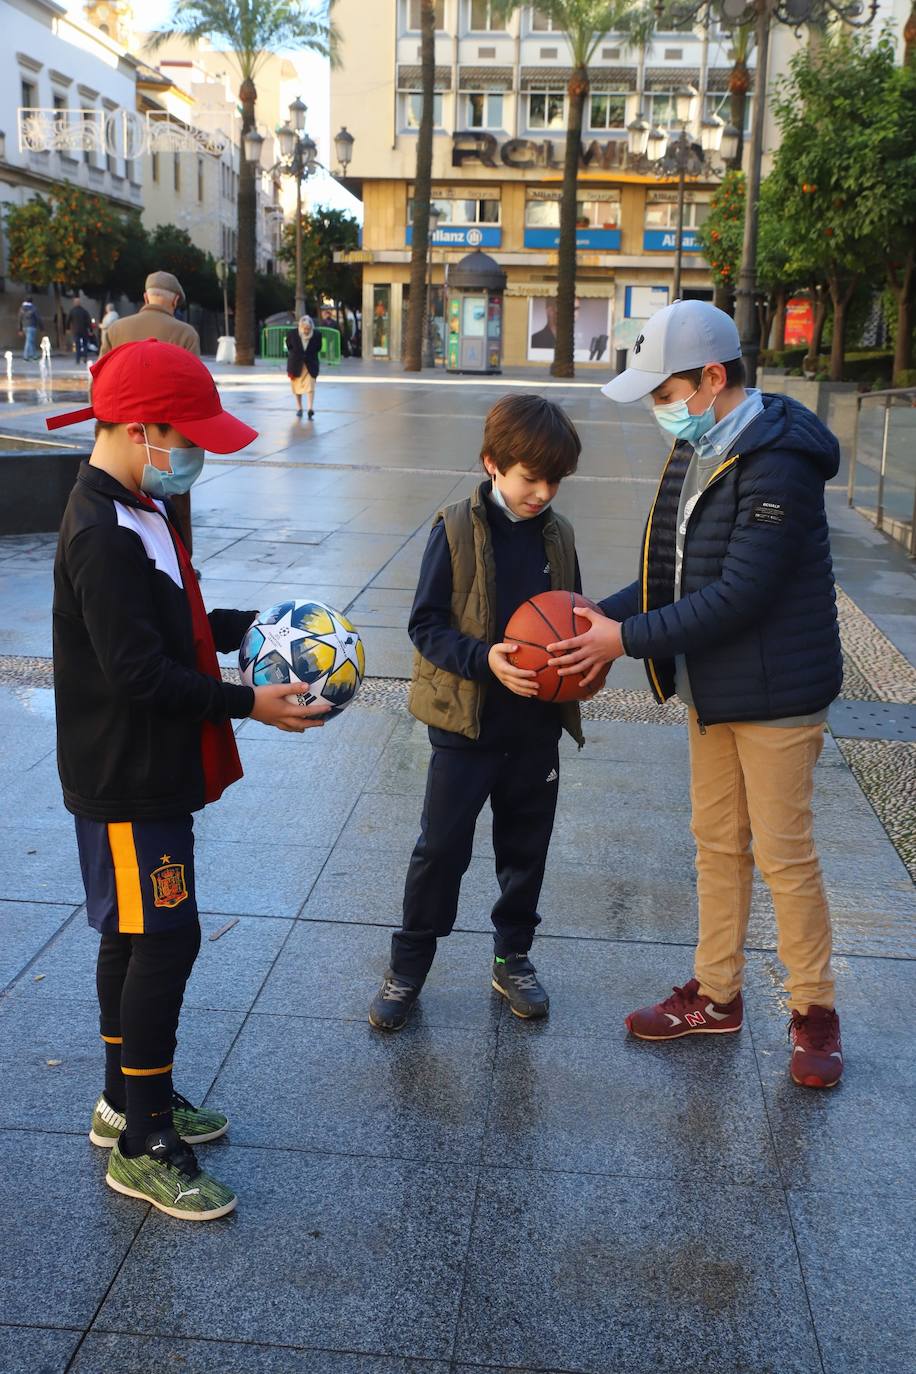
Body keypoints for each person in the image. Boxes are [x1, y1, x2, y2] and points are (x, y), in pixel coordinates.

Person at [48, 339, 330, 1220]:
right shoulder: (101, 534)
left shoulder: (139, 508)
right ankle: (144, 1142)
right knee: (164, 939)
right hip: (128, 779)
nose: (197, 455)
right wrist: (249, 704)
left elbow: (178, 620)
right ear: (142, 429)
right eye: (189, 438)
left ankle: (125, 1098)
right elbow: (139, 673)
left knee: (135, 933)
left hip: (143, 768)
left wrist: (260, 626)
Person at [547, 300, 845, 1089]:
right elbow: (671, 572)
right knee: (716, 844)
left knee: (784, 855)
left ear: (713, 378)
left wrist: (623, 640)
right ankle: (716, 995)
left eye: (665, 392)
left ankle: (815, 1013)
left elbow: (740, 594)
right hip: (712, 688)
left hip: (777, 694)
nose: (659, 409)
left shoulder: (779, 462)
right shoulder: (698, 447)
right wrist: (598, 616)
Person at [368, 393, 589, 1032]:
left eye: (555, 480)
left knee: (526, 849)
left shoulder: (559, 534)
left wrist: (582, 659)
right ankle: (408, 967)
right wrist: (483, 658)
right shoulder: (454, 529)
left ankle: (512, 957)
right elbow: (425, 624)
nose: (543, 493)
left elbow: (574, 615)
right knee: (440, 850)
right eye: (531, 478)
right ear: (492, 463)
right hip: (466, 726)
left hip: (536, 727)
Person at [100, 271, 201, 554]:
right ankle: (180, 558)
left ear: (146, 297)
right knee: (176, 504)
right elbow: (193, 392)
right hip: (166, 440)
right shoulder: (185, 333)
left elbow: (99, 384)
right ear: (175, 300)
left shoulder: (116, 330)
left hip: (121, 437)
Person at [285, 315, 321, 419]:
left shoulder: (317, 334)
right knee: (296, 387)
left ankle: (310, 409)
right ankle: (299, 408)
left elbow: (318, 347)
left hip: (311, 365)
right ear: (300, 326)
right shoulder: (293, 334)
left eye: (308, 329)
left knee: (310, 386)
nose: (306, 331)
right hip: (296, 364)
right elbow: (289, 346)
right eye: (304, 328)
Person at [68, 295, 92, 363]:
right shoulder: (84, 311)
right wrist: (90, 330)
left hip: (76, 331)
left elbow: (68, 320)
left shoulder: (72, 311)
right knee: (85, 344)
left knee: (77, 345)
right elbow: (88, 321)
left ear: (74, 303)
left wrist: (67, 328)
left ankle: (77, 359)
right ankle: (85, 357)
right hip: (84, 330)